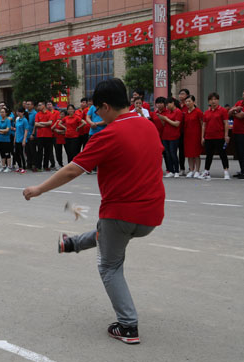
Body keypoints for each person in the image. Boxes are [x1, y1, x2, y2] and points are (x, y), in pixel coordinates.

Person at [23, 78, 165, 345]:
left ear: (106, 106)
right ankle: (70, 244)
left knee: (110, 266)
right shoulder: (148, 126)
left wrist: (39, 189)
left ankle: (128, 326)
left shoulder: (109, 134)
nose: (96, 116)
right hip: (152, 214)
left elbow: (72, 169)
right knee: (109, 233)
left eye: (97, 111)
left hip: (122, 213)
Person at [200, 92, 230, 181]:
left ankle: (226, 171)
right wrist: (202, 137)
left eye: (215, 99)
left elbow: (226, 123)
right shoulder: (206, 112)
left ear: (218, 100)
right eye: (211, 99)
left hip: (219, 136)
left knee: (223, 154)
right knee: (209, 155)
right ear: (209, 101)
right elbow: (204, 125)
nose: (213, 101)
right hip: (209, 137)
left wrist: (226, 135)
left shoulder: (223, 111)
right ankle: (206, 171)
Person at [158, 97, 183, 178]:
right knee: (167, 154)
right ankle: (171, 170)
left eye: (168, 104)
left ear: (172, 103)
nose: (167, 106)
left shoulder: (178, 111)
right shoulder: (167, 112)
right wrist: (162, 119)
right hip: (165, 136)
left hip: (174, 136)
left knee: (173, 153)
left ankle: (176, 170)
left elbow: (177, 124)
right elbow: (164, 124)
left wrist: (166, 119)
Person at [183, 95, 204, 178]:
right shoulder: (186, 113)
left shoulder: (198, 112)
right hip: (187, 136)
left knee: (196, 154)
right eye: (186, 102)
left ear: (194, 102)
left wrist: (202, 136)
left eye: (189, 101)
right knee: (189, 154)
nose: (187, 103)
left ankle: (197, 171)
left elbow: (202, 124)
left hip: (196, 135)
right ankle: (191, 170)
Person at [34, 101, 54, 171]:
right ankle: (39, 166)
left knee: (47, 152)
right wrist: (45, 124)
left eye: (39, 105)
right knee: (39, 151)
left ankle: (46, 166)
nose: (38, 107)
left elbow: (50, 123)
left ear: (43, 106)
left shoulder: (49, 113)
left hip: (48, 135)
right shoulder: (38, 114)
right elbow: (36, 124)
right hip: (40, 135)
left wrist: (41, 123)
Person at [0, 107, 12, 172]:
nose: (2, 113)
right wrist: (2, 131)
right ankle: (3, 166)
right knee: (2, 153)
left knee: (7, 153)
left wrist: (0, 130)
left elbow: (7, 130)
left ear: (6, 113)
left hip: (6, 139)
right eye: (1, 112)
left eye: (3, 112)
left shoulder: (8, 120)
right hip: (0, 139)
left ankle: (9, 166)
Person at [14, 107, 29, 173]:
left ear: (22, 112)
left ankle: (24, 167)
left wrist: (24, 139)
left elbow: (26, 130)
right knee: (16, 154)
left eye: (19, 112)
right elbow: (16, 130)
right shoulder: (17, 120)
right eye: (17, 112)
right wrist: (14, 138)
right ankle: (19, 166)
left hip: (21, 139)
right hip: (17, 139)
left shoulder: (25, 120)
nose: (18, 113)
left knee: (21, 154)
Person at [26, 100, 37, 170]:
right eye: (27, 104)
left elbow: (35, 125)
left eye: (29, 104)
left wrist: (32, 134)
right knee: (27, 151)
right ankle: (29, 163)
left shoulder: (35, 113)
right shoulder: (25, 113)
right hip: (26, 135)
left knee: (33, 150)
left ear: (32, 106)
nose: (27, 105)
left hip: (31, 134)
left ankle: (34, 164)